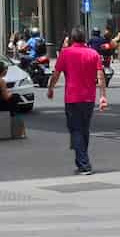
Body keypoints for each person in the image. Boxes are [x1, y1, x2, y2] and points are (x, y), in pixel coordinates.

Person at [48, 31, 108, 174]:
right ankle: (80, 159)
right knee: (83, 129)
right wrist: (103, 95)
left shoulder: (65, 53)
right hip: (88, 98)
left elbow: (56, 74)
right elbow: (100, 75)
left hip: (72, 98)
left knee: (76, 130)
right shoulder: (93, 54)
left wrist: (50, 88)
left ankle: (84, 164)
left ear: (72, 39)